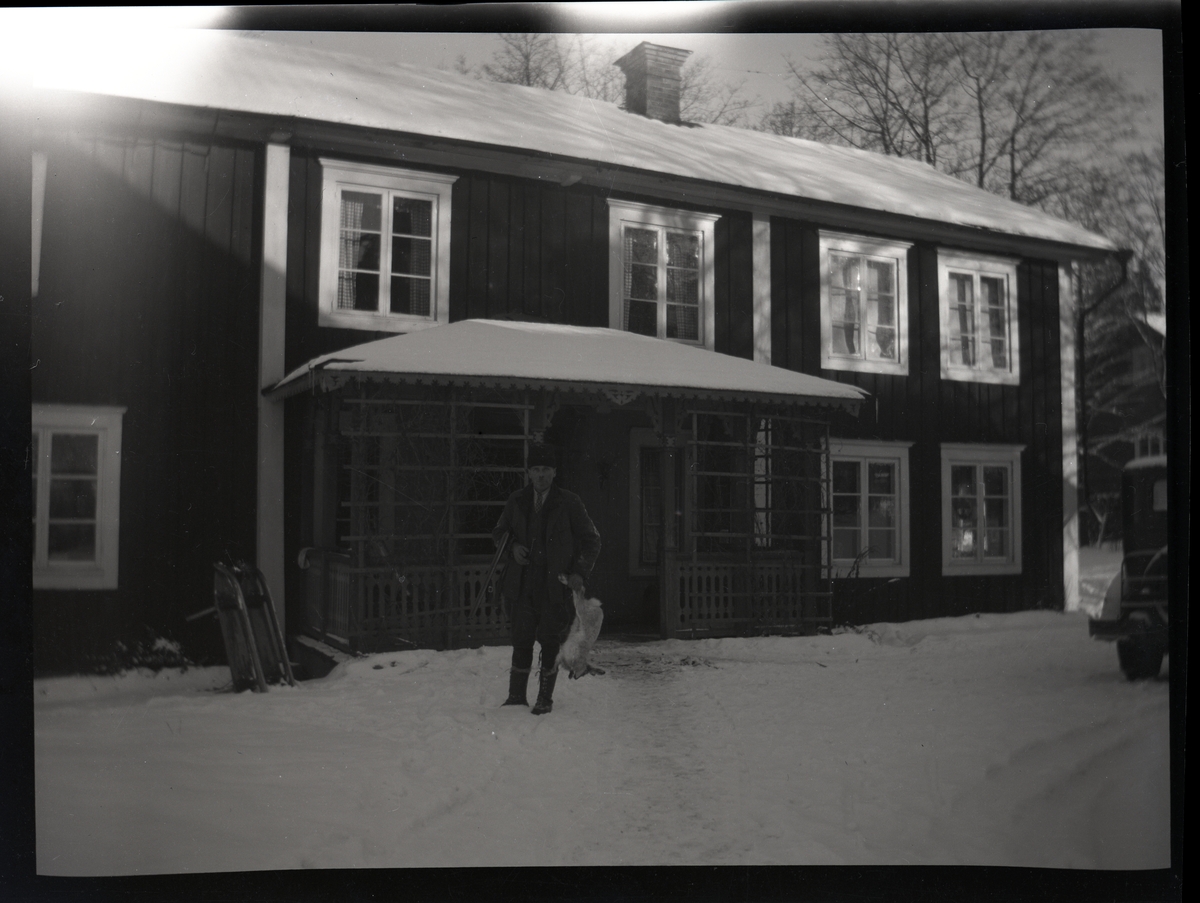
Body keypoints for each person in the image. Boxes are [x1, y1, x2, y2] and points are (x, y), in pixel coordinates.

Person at [493, 444, 601, 715]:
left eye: (546, 469)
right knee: (521, 640)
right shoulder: (516, 501)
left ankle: (544, 699)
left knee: (550, 642)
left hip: (554, 586)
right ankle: (516, 696)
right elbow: (499, 532)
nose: (541, 475)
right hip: (522, 584)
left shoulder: (569, 503)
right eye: (536, 469)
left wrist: (579, 572)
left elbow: (592, 540)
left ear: (555, 472)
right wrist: (512, 547)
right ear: (529, 472)